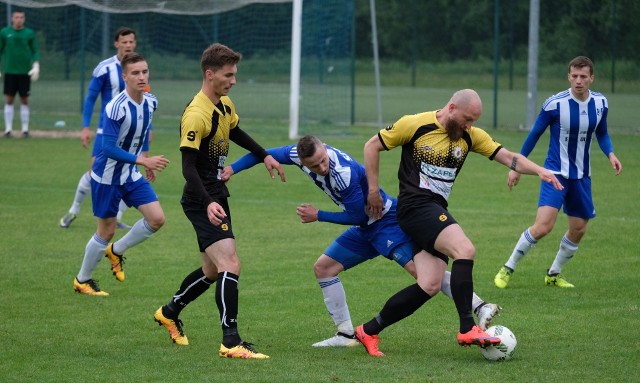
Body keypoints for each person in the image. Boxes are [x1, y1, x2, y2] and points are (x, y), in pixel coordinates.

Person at [222, 135, 501, 348]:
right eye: (314, 165)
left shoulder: (341, 174)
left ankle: (478, 305)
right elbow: (264, 154)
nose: (321, 166)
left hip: (385, 223)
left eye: (323, 159)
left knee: (423, 276)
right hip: (366, 229)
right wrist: (232, 169)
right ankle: (345, 333)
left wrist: (318, 215)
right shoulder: (298, 154)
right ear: (302, 160)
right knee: (324, 268)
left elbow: (356, 215)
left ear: (324, 148)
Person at [356, 89, 563, 357]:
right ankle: (467, 327)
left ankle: (368, 330)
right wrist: (373, 190)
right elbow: (372, 145)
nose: (469, 125)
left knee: (429, 285)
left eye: (473, 121)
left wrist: (539, 171)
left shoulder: (470, 136)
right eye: (467, 119)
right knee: (465, 250)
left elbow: (509, 157)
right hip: (415, 207)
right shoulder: (415, 124)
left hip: (434, 210)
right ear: (452, 108)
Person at [152, 43, 284, 360]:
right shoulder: (196, 114)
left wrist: (264, 155)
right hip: (203, 199)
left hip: (215, 195)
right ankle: (231, 342)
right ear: (210, 74)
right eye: (228, 75)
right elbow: (187, 168)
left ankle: (168, 312)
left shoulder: (223, 104)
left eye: (234, 74)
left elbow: (236, 132)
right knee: (230, 264)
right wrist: (209, 201)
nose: (233, 80)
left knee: (212, 271)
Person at [494, 56, 622, 289]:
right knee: (544, 226)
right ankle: (508, 267)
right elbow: (534, 134)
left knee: (579, 228)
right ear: (569, 77)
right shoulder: (555, 104)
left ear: (591, 78)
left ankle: (554, 274)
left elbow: (601, 133)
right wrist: (516, 167)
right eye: (574, 76)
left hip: (582, 176)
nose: (578, 81)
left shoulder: (600, 103)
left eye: (583, 76)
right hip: (554, 173)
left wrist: (610, 153)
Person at [72, 52, 169, 296]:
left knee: (157, 219)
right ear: (124, 76)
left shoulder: (151, 101)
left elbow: (142, 132)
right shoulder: (115, 107)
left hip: (131, 173)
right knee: (106, 230)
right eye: (135, 73)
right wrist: (143, 159)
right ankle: (82, 280)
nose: (141, 76)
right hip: (107, 176)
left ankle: (116, 251)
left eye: (144, 72)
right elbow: (107, 148)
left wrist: (144, 161)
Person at [59, 26, 141, 229]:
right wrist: (86, 127)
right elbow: (90, 99)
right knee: (95, 171)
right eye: (124, 42)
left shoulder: (139, 69)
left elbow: (143, 100)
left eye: (131, 41)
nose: (128, 45)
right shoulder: (104, 68)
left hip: (131, 133)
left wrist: (147, 129)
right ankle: (73, 211)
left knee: (128, 172)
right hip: (107, 131)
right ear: (117, 44)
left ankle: (118, 217)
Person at [0, 9, 40, 138]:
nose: (19, 20)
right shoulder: (5, 33)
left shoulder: (29, 33)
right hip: (10, 71)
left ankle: (25, 129)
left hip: (24, 72)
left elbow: (35, 51)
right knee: (9, 99)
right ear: (12, 18)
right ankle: (8, 129)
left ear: (24, 19)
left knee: (24, 100)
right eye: (17, 17)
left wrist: (36, 64)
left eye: (21, 17)